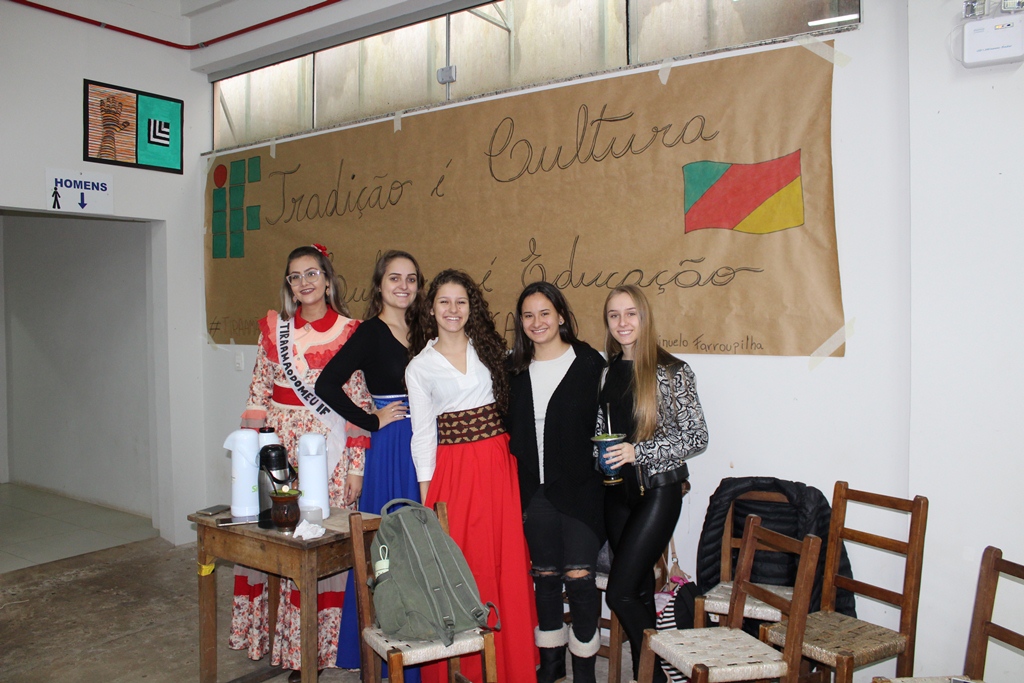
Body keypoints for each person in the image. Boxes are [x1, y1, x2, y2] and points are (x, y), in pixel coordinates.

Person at [229, 244, 373, 681]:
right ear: (289, 286)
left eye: (313, 273)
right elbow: (258, 392)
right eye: (296, 276)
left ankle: (319, 649)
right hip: (281, 452)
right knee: (281, 546)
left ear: (328, 280)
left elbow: (357, 403)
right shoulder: (274, 331)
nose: (305, 282)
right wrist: (253, 457)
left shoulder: (350, 332)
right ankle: (286, 647)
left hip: (328, 453)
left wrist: (355, 467)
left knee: (319, 548)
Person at [405, 269, 538, 683]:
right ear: (431, 308)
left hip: (498, 466)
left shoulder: (491, 350)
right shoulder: (420, 367)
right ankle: (463, 670)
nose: (453, 309)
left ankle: (509, 666)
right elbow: (422, 435)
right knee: (463, 566)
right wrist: (427, 500)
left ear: (471, 307)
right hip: (454, 473)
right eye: (444, 301)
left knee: (504, 562)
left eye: (460, 301)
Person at [314, 249, 424, 678]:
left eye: (411, 279)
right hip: (392, 448)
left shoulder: (425, 329)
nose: (403, 286)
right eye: (394, 278)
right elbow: (327, 383)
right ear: (379, 284)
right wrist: (371, 419)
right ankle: (383, 655)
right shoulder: (369, 333)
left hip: (426, 444)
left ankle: (422, 649)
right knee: (388, 552)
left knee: (422, 545)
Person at [598, 284, 708, 683]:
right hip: (617, 493)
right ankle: (652, 678)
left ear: (644, 318)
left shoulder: (672, 371)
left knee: (619, 593)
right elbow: (604, 426)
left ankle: (664, 671)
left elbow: (697, 437)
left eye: (631, 313)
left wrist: (637, 451)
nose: (622, 322)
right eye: (614, 315)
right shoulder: (608, 370)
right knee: (639, 592)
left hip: (659, 491)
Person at [505, 281, 606, 683]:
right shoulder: (513, 371)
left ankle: (584, 670)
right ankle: (550, 667)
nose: (537, 322)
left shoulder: (590, 363)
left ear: (561, 316)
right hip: (535, 492)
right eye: (528, 315)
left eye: (545, 313)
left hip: (582, 490)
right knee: (544, 578)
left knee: (580, 580)